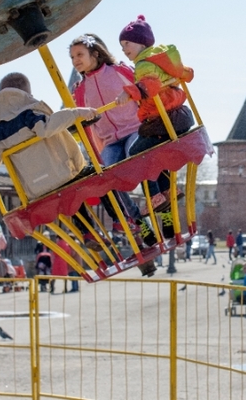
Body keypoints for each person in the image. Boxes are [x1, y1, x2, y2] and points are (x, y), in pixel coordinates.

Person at [70, 33, 159, 277]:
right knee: (108, 176)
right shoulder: (81, 90)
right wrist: (94, 152)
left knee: (135, 153)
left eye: (80, 55)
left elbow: (141, 88)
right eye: (72, 57)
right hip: (109, 140)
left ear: (95, 53)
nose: (76, 60)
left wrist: (146, 111)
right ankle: (136, 220)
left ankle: (155, 198)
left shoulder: (118, 71)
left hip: (133, 129)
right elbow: (83, 123)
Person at [117, 15, 195, 236]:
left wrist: (129, 92)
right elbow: (185, 73)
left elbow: (149, 85)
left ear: (141, 43)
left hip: (160, 120)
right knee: (157, 158)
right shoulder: (162, 59)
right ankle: (168, 196)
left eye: (127, 43)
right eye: (122, 46)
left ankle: (154, 196)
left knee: (137, 154)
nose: (124, 49)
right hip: (180, 116)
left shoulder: (143, 64)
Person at [0, 72, 97, 201]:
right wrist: (76, 113)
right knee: (99, 172)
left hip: (35, 190)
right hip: (63, 175)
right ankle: (112, 210)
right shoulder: (30, 116)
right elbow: (47, 127)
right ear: (27, 95)